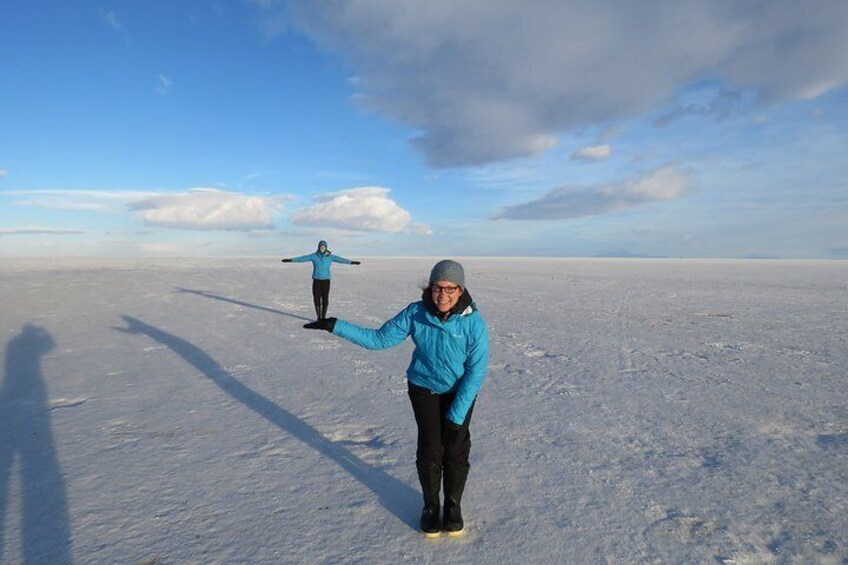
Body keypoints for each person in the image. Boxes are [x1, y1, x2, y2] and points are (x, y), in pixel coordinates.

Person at [304, 259, 489, 536]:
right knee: (430, 448)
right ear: (430, 287)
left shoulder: (473, 323)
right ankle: (430, 506)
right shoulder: (415, 313)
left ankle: (452, 506)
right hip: (423, 388)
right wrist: (335, 326)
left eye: (451, 289)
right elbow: (379, 339)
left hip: (459, 391)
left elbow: (476, 371)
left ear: (461, 291)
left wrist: (456, 415)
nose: (443, 295)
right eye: (438, 287)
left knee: (456, 447)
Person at [281, 240, 361, 321]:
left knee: (325, 299)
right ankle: (319, 318)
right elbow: (303, 258)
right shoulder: (314, 256)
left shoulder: (330, 256)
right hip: (317, 281)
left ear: (326, 248)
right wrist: (290, 260)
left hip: (326, 281)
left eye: (324, 247)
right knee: (317, 299)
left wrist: (351, 262)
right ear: (318, 247)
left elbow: (340, 259)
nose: (322, 248)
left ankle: (323, 318)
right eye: (321, 247)